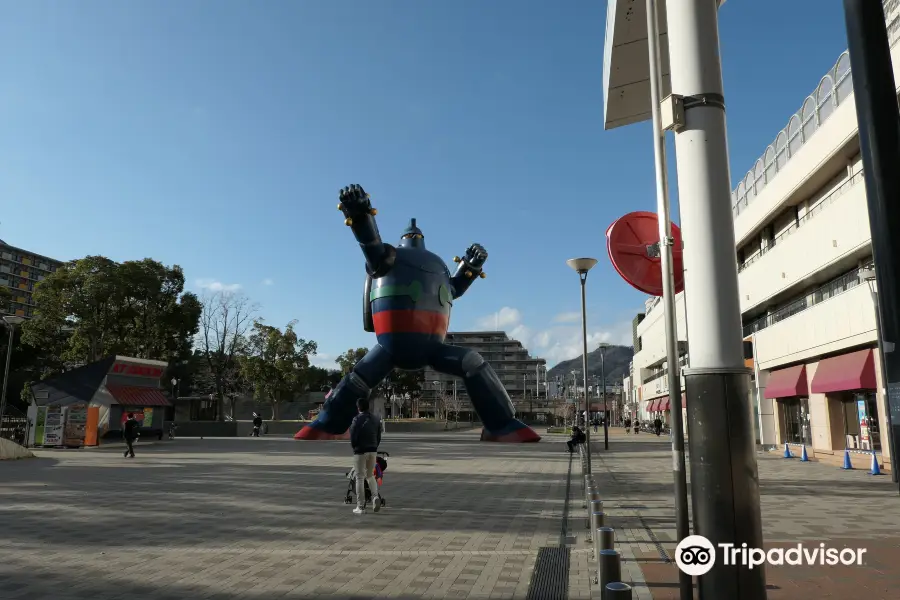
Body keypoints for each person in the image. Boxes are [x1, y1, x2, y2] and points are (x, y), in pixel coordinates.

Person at [349, 397, 383, 514]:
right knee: (370, 475)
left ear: (358, 408)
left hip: (360, 451)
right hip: (373, 450)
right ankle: (375, 497)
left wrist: (355, 447)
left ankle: (360, 506)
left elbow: (353, 436)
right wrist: (374, 446)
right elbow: (378, 436)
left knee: (359, 477)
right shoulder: (375, 419)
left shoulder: (356, 419)